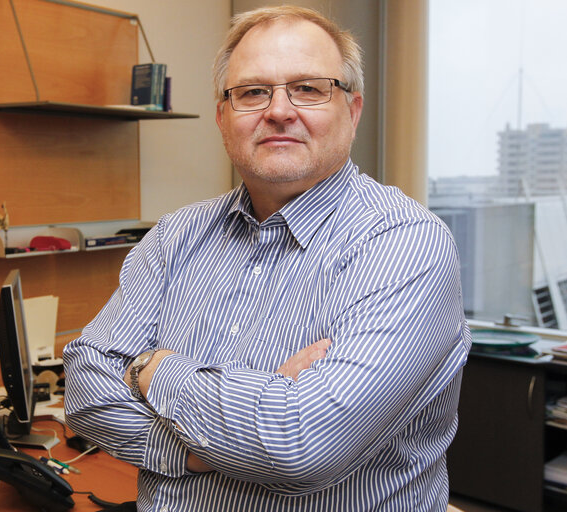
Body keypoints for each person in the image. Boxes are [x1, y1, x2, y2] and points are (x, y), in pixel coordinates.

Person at [63, 5, 470, 511]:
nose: (278, 110)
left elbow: (302, 445)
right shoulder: (176, 236)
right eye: (253, 92)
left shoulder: (405, 244)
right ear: (222, 117)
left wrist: (152, 368)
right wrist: (207, 448)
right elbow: (84, 389)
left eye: (309, 88)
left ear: (353, 110)